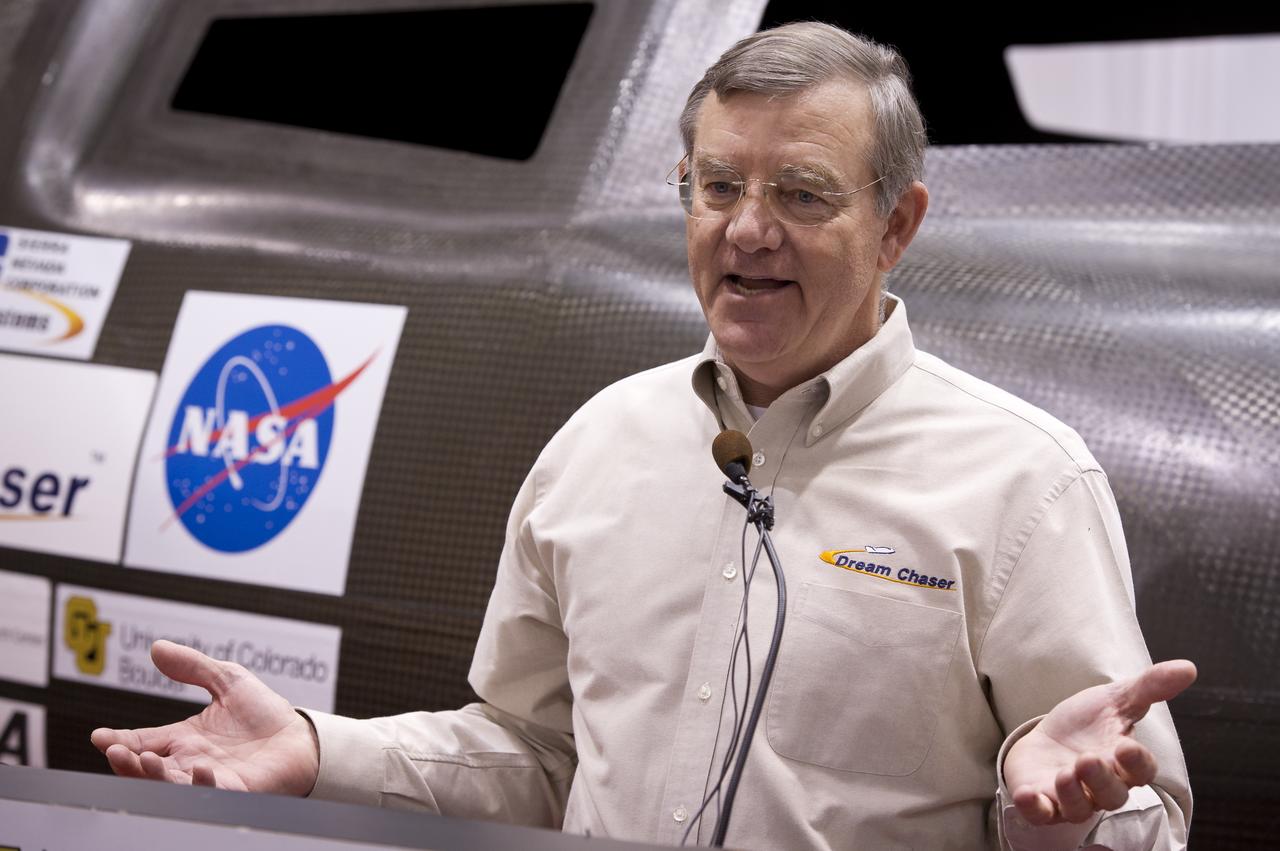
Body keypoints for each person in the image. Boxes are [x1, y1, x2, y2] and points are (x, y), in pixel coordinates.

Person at [92, 22, 1195, 850]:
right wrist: (317, 748)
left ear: (895, 224)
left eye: (802, 194)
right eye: (717, 186)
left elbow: (1143, 819)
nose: (747, 229)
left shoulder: (1024, 481)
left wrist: (1057, 813)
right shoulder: (599, 444)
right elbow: (536, 758)